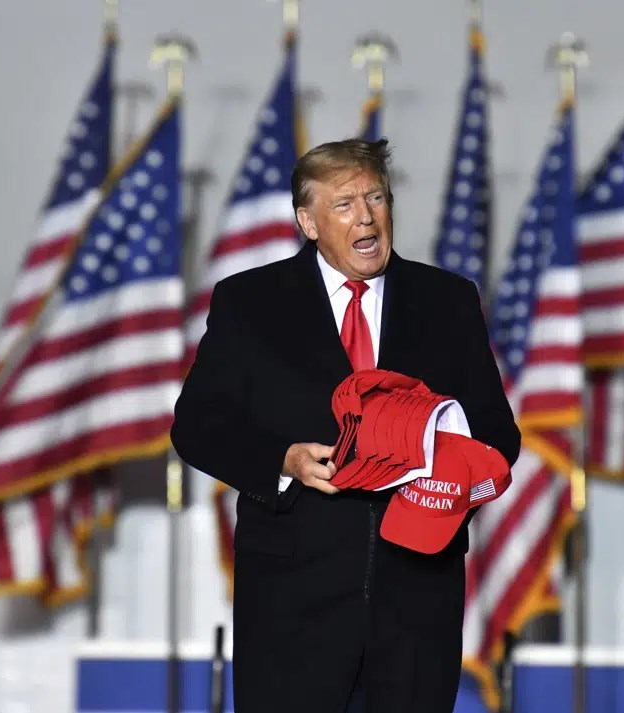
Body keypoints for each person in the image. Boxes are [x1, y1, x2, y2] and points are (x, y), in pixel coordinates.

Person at [171, 138, 521, 713]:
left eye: (376, 198)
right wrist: (284, 460)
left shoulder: (447, 302)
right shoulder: (252, 302)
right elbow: (197, 425)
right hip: (292, 610)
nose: (366, 217)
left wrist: (435, 481)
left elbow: (496, 437)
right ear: (308, 221)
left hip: (414, 606)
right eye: (344, 204)